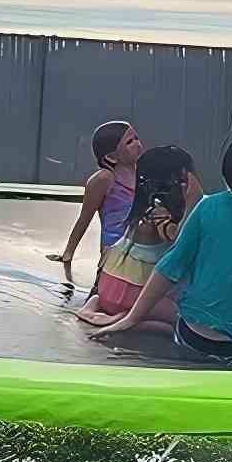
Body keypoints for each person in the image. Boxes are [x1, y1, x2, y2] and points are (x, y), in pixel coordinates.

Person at [92, 126, 232, 371]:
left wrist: (131, 318)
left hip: (190, 338)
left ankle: (138, 322)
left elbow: (170, 266)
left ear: (226, 174)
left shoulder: (208, 208)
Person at [79, 143, 197, 334]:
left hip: (108, 288)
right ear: (180, 180)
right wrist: (192, 203)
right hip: (130, 294)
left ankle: (96, 306)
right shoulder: (159, 213)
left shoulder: (142, 207)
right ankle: (128, 319)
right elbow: (179, 241)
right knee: (180, 318)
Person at [50, 119, 141, 281]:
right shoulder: (104, 179)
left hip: (142, 248)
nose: (137, 143)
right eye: (129, 142)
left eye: (136, 138)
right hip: (114, 251)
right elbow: (85, 218)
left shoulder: (144, 174)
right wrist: (68, 253)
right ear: (112, 157)